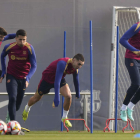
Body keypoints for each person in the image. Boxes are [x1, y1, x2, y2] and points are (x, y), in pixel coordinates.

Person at [22, 54, 84, 127]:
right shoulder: (63, 63)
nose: (79, 66)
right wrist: (56, 98)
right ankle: (27, 108)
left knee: (68, 96)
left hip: (60, 79)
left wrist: (77, 93)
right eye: (79, 64)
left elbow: (76, 80)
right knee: (36, 98)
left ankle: (64, 117)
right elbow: (56, 82)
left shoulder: (76, 68)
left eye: (81, 65)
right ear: (73, 60)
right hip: (47, 79)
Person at [0, 29, 37, 123]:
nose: (22, 42)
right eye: (20, 39)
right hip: (11, 76)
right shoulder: (9, 47)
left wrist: (28, 78)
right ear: (16, 38)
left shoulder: (29, 48)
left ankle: (10, 115)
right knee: (12, 97)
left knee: (17, 104)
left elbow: (34, 66)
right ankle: (12, 123)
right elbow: (2, 56)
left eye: (24, 39)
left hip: (23, 78)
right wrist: (4, 70)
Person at [119, 22, 140, 122]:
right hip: (131, 58)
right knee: (136, 84)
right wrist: (134, 50)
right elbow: (122, 40)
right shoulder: (137, 26)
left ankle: (130, 107)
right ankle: (123, 109)